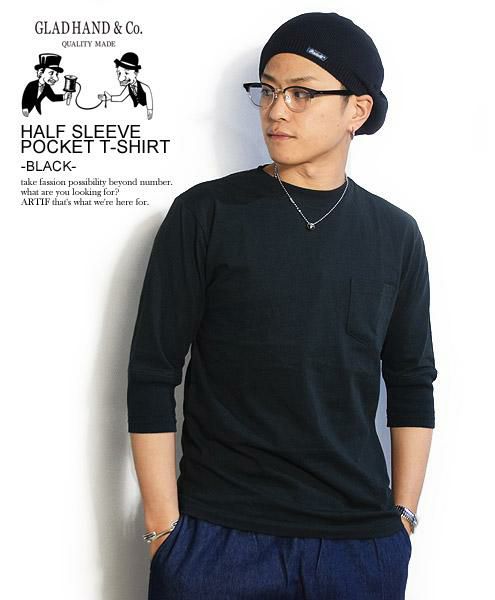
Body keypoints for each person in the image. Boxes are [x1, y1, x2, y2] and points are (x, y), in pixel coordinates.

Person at [127, 12, 437, 600]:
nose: (276, 110)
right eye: (267, 90)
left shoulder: (396, 234)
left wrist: (403, 518)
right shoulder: (207, 214)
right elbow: (152, 372)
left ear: (357, 110)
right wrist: (163, 529)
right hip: (218, 542)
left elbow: (412, 379)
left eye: (301, 93)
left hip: (358, 548)